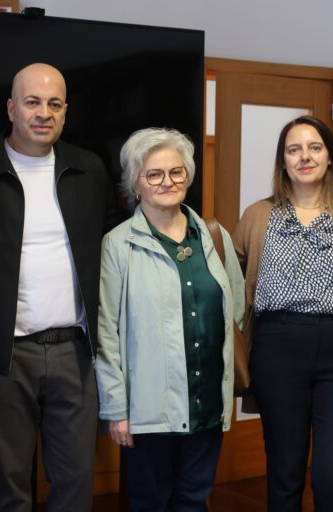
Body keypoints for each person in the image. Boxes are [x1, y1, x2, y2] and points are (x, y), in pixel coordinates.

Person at [0, 63, 123, 511]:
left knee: (76, 480)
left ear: (65, 112)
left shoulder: (89, 169)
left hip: (75, 353)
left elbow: (109, 246)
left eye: (54, 104)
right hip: (5, 357)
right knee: (9, 484)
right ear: (11, 108)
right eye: (32, 102)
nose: (43, 113)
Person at [232, 115, 333, 512]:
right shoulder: (257, 217)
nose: (305, 156)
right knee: (284, 474)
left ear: (330, 158)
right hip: (276, 353)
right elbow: (229, 286)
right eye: (294, 149)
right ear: (282, 162)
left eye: (314, 147)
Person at [96, 128, 245, 511]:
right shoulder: (117, 244)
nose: (168, 182)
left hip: (208, 404)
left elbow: (237, 308)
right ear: (136, 184)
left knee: (195, 501)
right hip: (148, 412)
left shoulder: (213, 235)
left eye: (176, 172)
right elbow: (106, 333)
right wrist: (117, 409)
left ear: (188, 177)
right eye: (154, 174)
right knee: (151, 503)